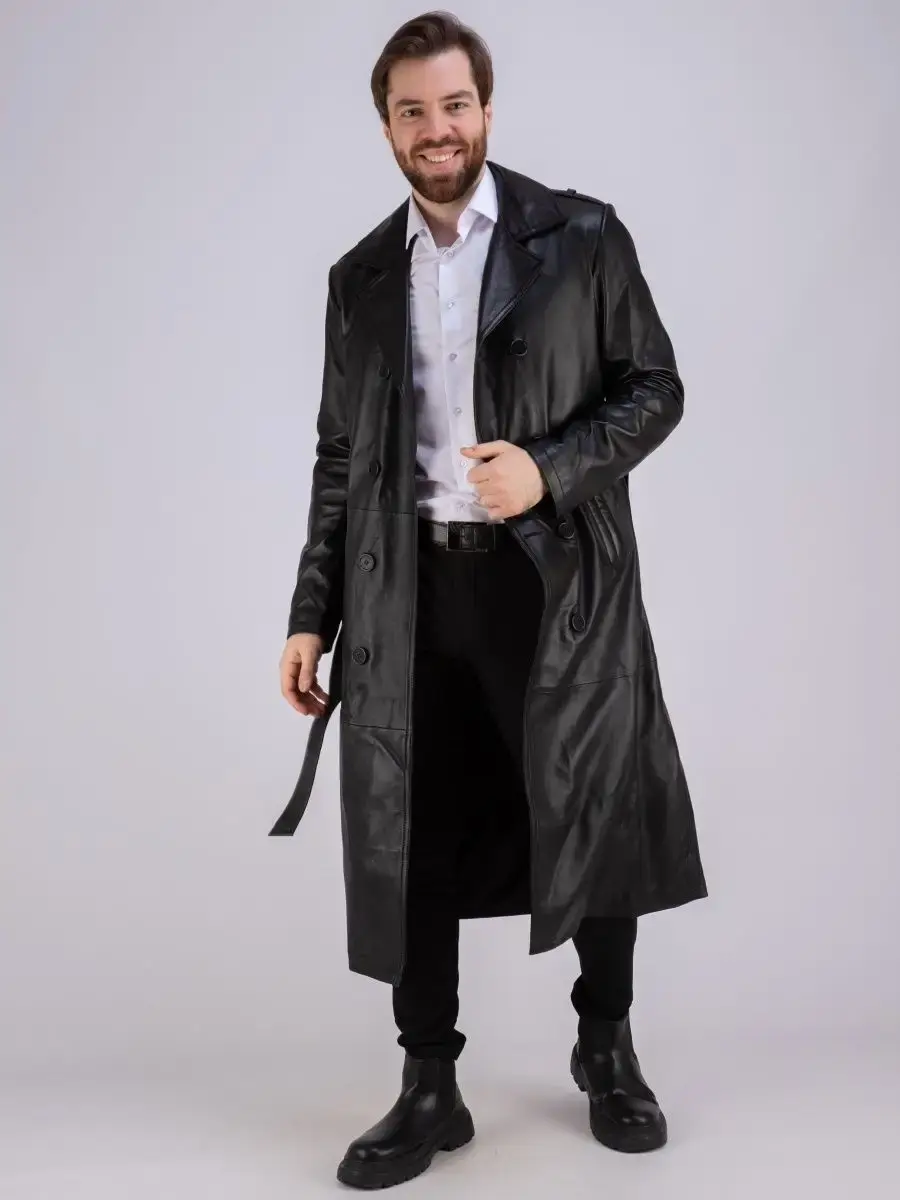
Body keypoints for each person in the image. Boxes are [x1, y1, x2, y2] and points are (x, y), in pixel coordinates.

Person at [273, 10, 708, 1190]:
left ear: (487, 110)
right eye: (411, 110)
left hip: (553, 584)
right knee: (410, 831)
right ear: (386, 127)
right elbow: (339, 456)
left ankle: (606, 1045)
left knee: (591, 807)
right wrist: (312, 611)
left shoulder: (581, 237)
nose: (437, 129)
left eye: (453, 105)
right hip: (408, 591)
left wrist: (550, 469)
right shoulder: (361, 279)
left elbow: (656, 386)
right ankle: (430, 1084)